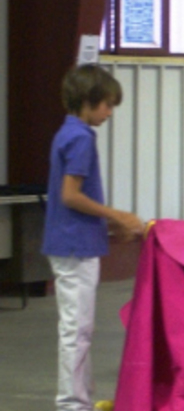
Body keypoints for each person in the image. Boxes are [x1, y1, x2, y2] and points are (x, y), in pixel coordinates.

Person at [41, 64, 145, 411]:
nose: (110, 113)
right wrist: (117, 215)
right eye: (107, 105)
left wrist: (108, 226)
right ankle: (72, 403)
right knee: (76, 329)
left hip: (72, 241)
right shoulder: (81, 138)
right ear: (88, 100)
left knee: (79, 327)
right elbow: (71, 195)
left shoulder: (67, 133)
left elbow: (73, 198)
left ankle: (80, 398)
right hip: (75, 246)